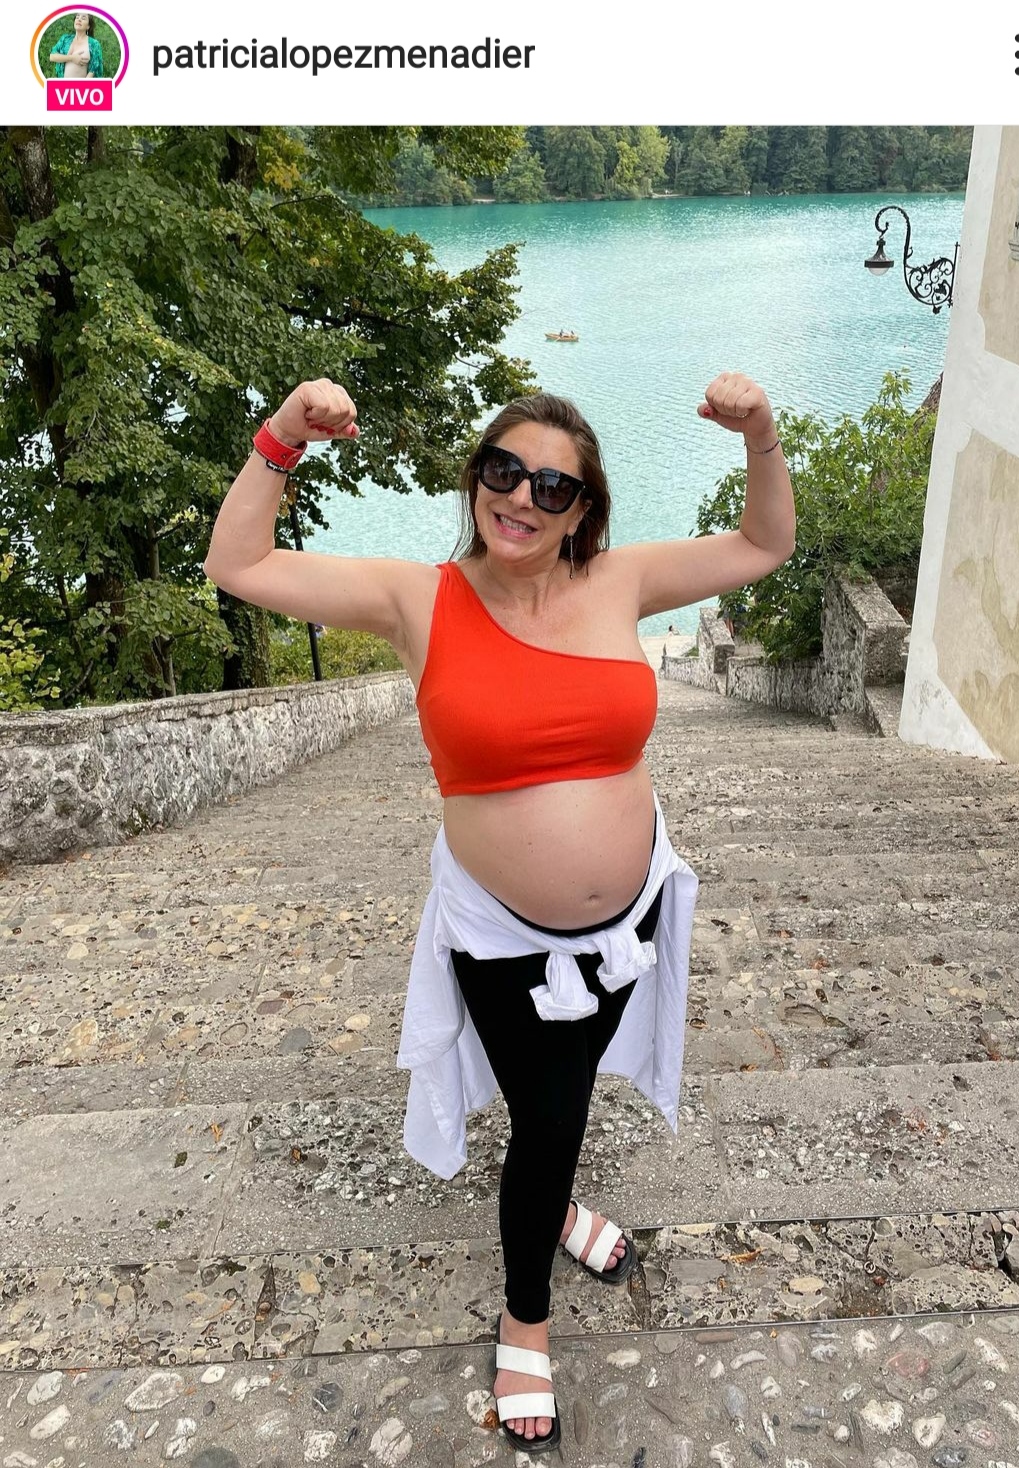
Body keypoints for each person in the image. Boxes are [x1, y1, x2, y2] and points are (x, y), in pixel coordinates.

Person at [202, 372, 795, 1453]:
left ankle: (554, 1198)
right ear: (476, 476)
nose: (522, 497)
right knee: (555, 1114)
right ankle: (526, 1323)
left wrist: (759, 433)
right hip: (505, 939)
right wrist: (283, 435)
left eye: (553, 487)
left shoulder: (618, 580)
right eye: (504, 470)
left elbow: (764, 544)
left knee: (555, 1103)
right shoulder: (417, 599)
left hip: (629, 924)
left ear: (582, 509)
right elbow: (238, 564)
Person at [48, 13, 104, 79]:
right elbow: (52, 57)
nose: (79, 19)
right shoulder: (65, 39)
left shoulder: (94, 44)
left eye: (83, 18)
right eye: (77, 17)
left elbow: (95, 68)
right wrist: (72, 58)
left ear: (88, 26)